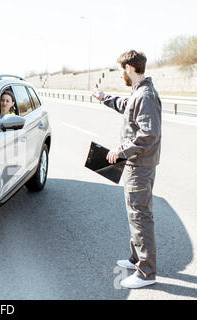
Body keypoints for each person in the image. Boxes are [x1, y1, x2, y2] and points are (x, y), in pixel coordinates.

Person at [92, 50, 162, 289]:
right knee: (136, 214)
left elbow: (148, 135)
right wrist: (104, 98)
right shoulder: (138, 94)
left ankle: (146, 273)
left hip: (139, 166)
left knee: (140, 216)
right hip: (138, 165)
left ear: (129, 68)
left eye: (120, 69)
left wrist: (120, 152)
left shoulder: (146, 96)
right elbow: (125, 105)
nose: (120, 73)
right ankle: (136, 259)